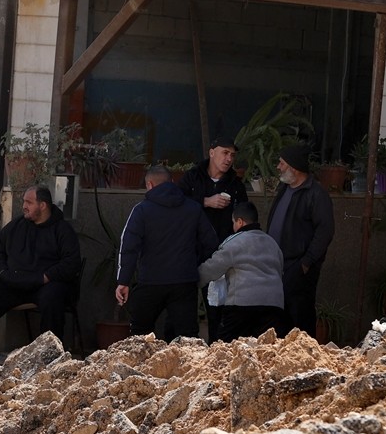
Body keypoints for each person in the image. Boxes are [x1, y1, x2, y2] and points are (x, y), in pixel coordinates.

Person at [0, 185, 81, 351]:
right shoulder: (17, 225)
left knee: (53, 297)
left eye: (29, 202)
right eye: (24, 202)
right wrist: (2, 272)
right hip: (14, 282)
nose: (24, 206)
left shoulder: (62, 230)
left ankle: (50, 355)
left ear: (42, 205)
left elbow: (71, 262)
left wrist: (47, 277)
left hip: (44, 285)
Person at [116, 164, 217, 340]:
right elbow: (211, 243)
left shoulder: (141, 210)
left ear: (150, 185)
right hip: (184, 282)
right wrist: (194, 266)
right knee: (188, 338)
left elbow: (129, 247)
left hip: (150, 281)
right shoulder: (193, 208)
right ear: (172, 181)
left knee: (140, 335)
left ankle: (141, 367)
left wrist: (123, 281)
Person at [179, 136, 249, 339]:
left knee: (218, 309)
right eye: (225, 153)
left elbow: (244, 217)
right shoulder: (192, 177)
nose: (229, 159)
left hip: (221, 256)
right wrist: (205, 201)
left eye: (232, 155)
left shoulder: (236, 185)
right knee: (184, 307)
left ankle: (217, 349)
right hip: (189, 252)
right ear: (212, 152)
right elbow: (177, 204)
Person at [266, 143, 334, 335]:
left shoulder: (316, 194)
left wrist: (306, 262)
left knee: (300, 317)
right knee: (279, 317)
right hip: (278, 265)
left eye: (281, 163)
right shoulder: (285, 188)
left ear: (293, 167)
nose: (278, 167)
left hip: (299, 266)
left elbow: (325, 231)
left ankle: (304, 360)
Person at [198, 200, 284, 341]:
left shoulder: (234, 242)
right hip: (274, 305)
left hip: (242, 305)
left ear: (239, 222)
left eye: (233, 222)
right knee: (266, 352)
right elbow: (280, 271)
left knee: (227, 348)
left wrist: (191, 281)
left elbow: (211, 269)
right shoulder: (272, 243)